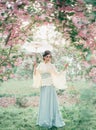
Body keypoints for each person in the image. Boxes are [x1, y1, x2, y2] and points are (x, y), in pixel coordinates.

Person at [33, 50, 68, 129]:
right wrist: (35, 67)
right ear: (44, 57)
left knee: (50, 102)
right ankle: (43, 120)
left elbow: (57, 74)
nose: (48, 58)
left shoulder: (51, 66)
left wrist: (64, 68)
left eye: (49, 56)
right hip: (43, 86)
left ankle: (52, 120)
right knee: (44, 102)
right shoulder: (40, 65)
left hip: (50, 85)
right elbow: (36, 74)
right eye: (47, 56)